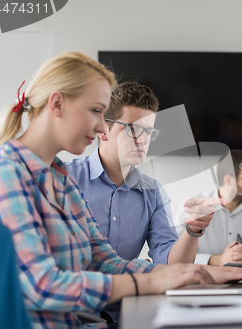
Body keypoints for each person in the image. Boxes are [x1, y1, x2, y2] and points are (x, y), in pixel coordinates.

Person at [0, 51, 242, 329]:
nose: (101, 126)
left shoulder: (59, 177)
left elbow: (105, 260)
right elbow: (43, 285)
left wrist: (202, 272)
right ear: (58, 104)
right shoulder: (6, 171)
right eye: (95, 111)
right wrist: (149, 281)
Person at [65, 82, 205, 265]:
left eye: (148, 132)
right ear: (103, 131)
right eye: (133, 129)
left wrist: (193, 230)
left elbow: (172, 263)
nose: (144, 140)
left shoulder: (153, 192)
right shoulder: (65, 178)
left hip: (128, 291)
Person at [176, 149, 242, 266]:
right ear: (228, 180)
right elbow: (174, 255)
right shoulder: (195, 207)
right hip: (204, 279)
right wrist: (216, 260)